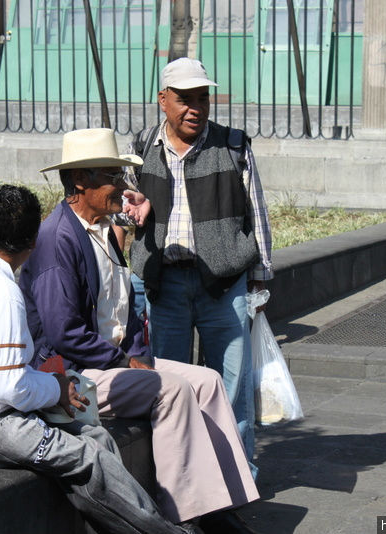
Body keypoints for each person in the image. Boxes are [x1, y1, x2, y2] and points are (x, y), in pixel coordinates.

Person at [0, 184, 195, 534]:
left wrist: (52, 386)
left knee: (97, 437)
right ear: (33, 242)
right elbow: (8, 386)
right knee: (86, 459)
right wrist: (57, 388)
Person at [20, 128, 260, 534]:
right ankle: (185, 514)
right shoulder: (57, 239)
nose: (123, 186)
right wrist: (126, 360)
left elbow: (123, 310)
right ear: (81, 182)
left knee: (207, 382)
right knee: (172, 389)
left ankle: (222, 506)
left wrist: (137, 354)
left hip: (110, 362)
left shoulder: (99, 230)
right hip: (74, 376)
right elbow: (63, 333)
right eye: (113, 176)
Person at [126, 57, 274, 463]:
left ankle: (237, 478)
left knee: (232, 390)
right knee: (172, 387)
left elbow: (256, 215)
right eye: (184, 99)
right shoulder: (142, 146)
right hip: (166, 285)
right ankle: (181, 475)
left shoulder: (234, 145)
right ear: (163, 100)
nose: (195, 108)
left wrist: (259, 281)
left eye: (202, 98)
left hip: (225, 287)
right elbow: (126, 208)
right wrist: (133, 209)